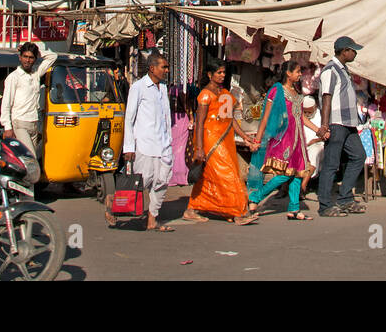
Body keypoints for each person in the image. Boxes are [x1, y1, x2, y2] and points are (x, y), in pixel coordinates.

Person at [184, 60, 259, 224]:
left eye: (224, 72)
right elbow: (200, 122)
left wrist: (245, 137)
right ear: (210, 75)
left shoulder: (225, 92)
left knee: (210, 176)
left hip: (226, 139)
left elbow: (230, 120)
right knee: (229, 174)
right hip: (211, 140)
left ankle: (191, 208)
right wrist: (199, 148)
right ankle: (238, 212)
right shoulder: (205, 94)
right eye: (219, 72)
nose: (222, 75)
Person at [247, 60, 312, 219]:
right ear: (288, 74)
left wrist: (319, 130)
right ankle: (256, 196)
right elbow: (265, 117)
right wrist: (258, 140)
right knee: (286, 174)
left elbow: (300, 117)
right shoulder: (277, 91)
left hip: (298, 139)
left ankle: (294, 209)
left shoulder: (296, 92)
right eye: (297, 71)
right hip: (285, 139)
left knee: (298, 173)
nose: (300, 74)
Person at [121, 51, 175, 232]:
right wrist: (128, 147)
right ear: (152, 68)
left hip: (163, 144)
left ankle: (152, 218)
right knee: (142, 182)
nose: (166, 70)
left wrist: (169, 140)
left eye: (167, 67)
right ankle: (114, 203)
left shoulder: (163, 88)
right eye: (163, 67)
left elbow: (166, 117)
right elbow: (129, 118)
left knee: (162, 181)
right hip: (144, 143)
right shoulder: (138, 87)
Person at [316, 36, 367, 217]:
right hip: (337, 122)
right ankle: (325, 205)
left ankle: (345, 198)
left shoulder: (343, 70)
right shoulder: (330, 70)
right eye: (353, 50)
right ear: (344, 51)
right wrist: (325, 125)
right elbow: (326, 98)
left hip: (349, 123)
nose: (354, 53)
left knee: (359, 156)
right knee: (331, 164)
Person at [0, 42, 58, 184]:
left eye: (31, 57)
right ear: (20, 57)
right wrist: (7, 127)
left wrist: (38, 52)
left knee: (28, 162)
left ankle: (28, 193)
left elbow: (53, 56)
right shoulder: (14, 77)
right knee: (30, 160)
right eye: (25, 56)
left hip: (33, 123)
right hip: (19, 123)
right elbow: (6, 104)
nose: (27, 60)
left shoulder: (36, 74)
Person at [300, 94, 324, 196]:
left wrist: (314, 140)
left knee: (314, 153)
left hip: (318, 143)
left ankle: (303, 186)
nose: (307, 114)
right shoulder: (300, 115)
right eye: (305, 112)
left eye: (309, 112)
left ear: (315, 108)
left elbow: (327, 134)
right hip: (303, 144)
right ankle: (285, 187)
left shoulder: (321, 115)